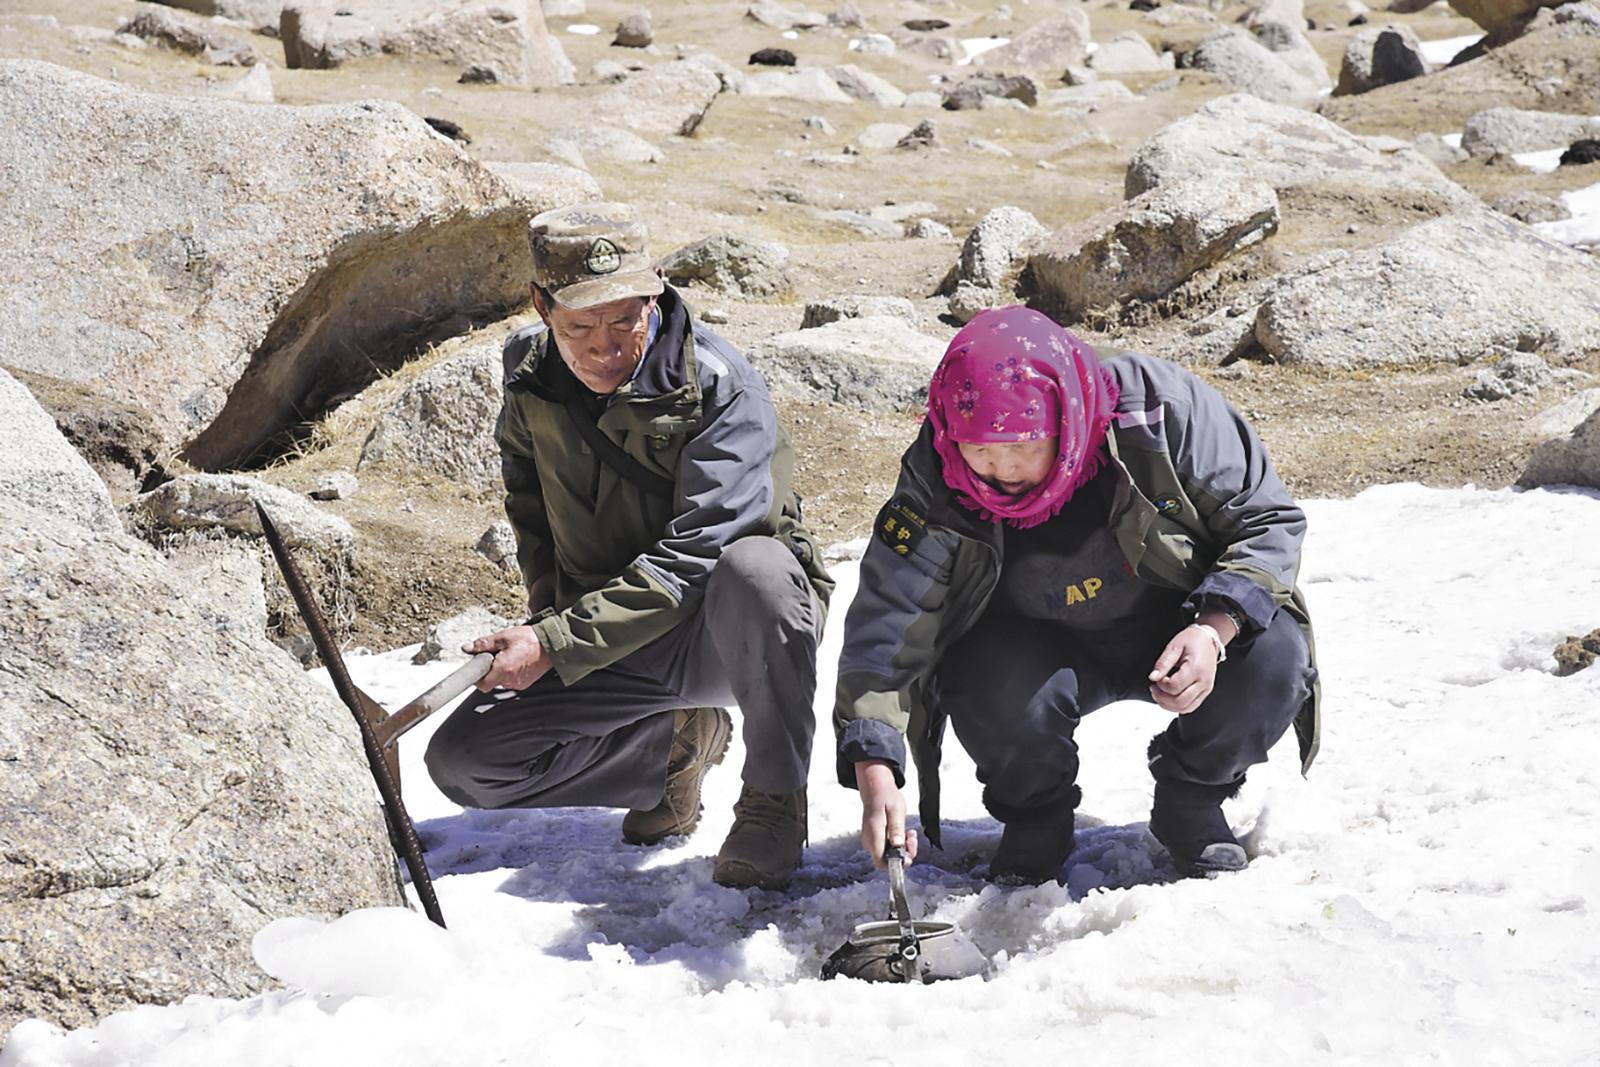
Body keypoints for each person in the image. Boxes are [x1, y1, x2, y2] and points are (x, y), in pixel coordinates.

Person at [833, 306, 1320, 885]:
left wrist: (1214, 629)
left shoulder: (1158, 413)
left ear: (1065, 417)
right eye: (980, 450)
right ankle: (1036, 820)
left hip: (1177, 624)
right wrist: (875, 763)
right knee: (984, 679)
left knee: (1272, 654)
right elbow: (891, 616)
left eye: (1025, 445)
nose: (1002, 470)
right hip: (1033, 650)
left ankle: (1192, 799)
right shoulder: (938, 469)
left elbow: (1267, 522)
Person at [425, 203, 833, 891]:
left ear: (655, 293)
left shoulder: (720, 386)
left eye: (623, 321)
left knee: (759, 568)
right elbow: (527, 490)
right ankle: (672, 748)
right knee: (467, 761)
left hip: (723, 634)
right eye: (579, 327)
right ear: (542, 306)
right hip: (608, 632)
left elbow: (700, 554)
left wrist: (556, 642)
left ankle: (773, 800)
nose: (604, 348)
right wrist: (544, 600)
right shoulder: (528, 370)